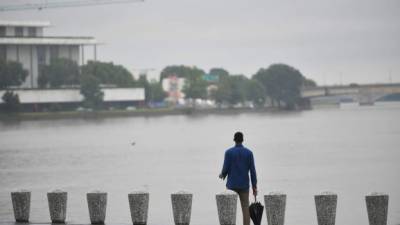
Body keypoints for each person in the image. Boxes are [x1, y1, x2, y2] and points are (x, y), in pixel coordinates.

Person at [219, 132, 258, 225]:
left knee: (230, 209)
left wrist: (222, 174)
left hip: (232, 185)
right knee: (245, 208)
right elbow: (253, 171)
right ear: (242, 140)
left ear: (234, 140)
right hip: (244, 185)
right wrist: (254, 187)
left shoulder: (228, 152)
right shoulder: (249, 153)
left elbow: (225, 168)